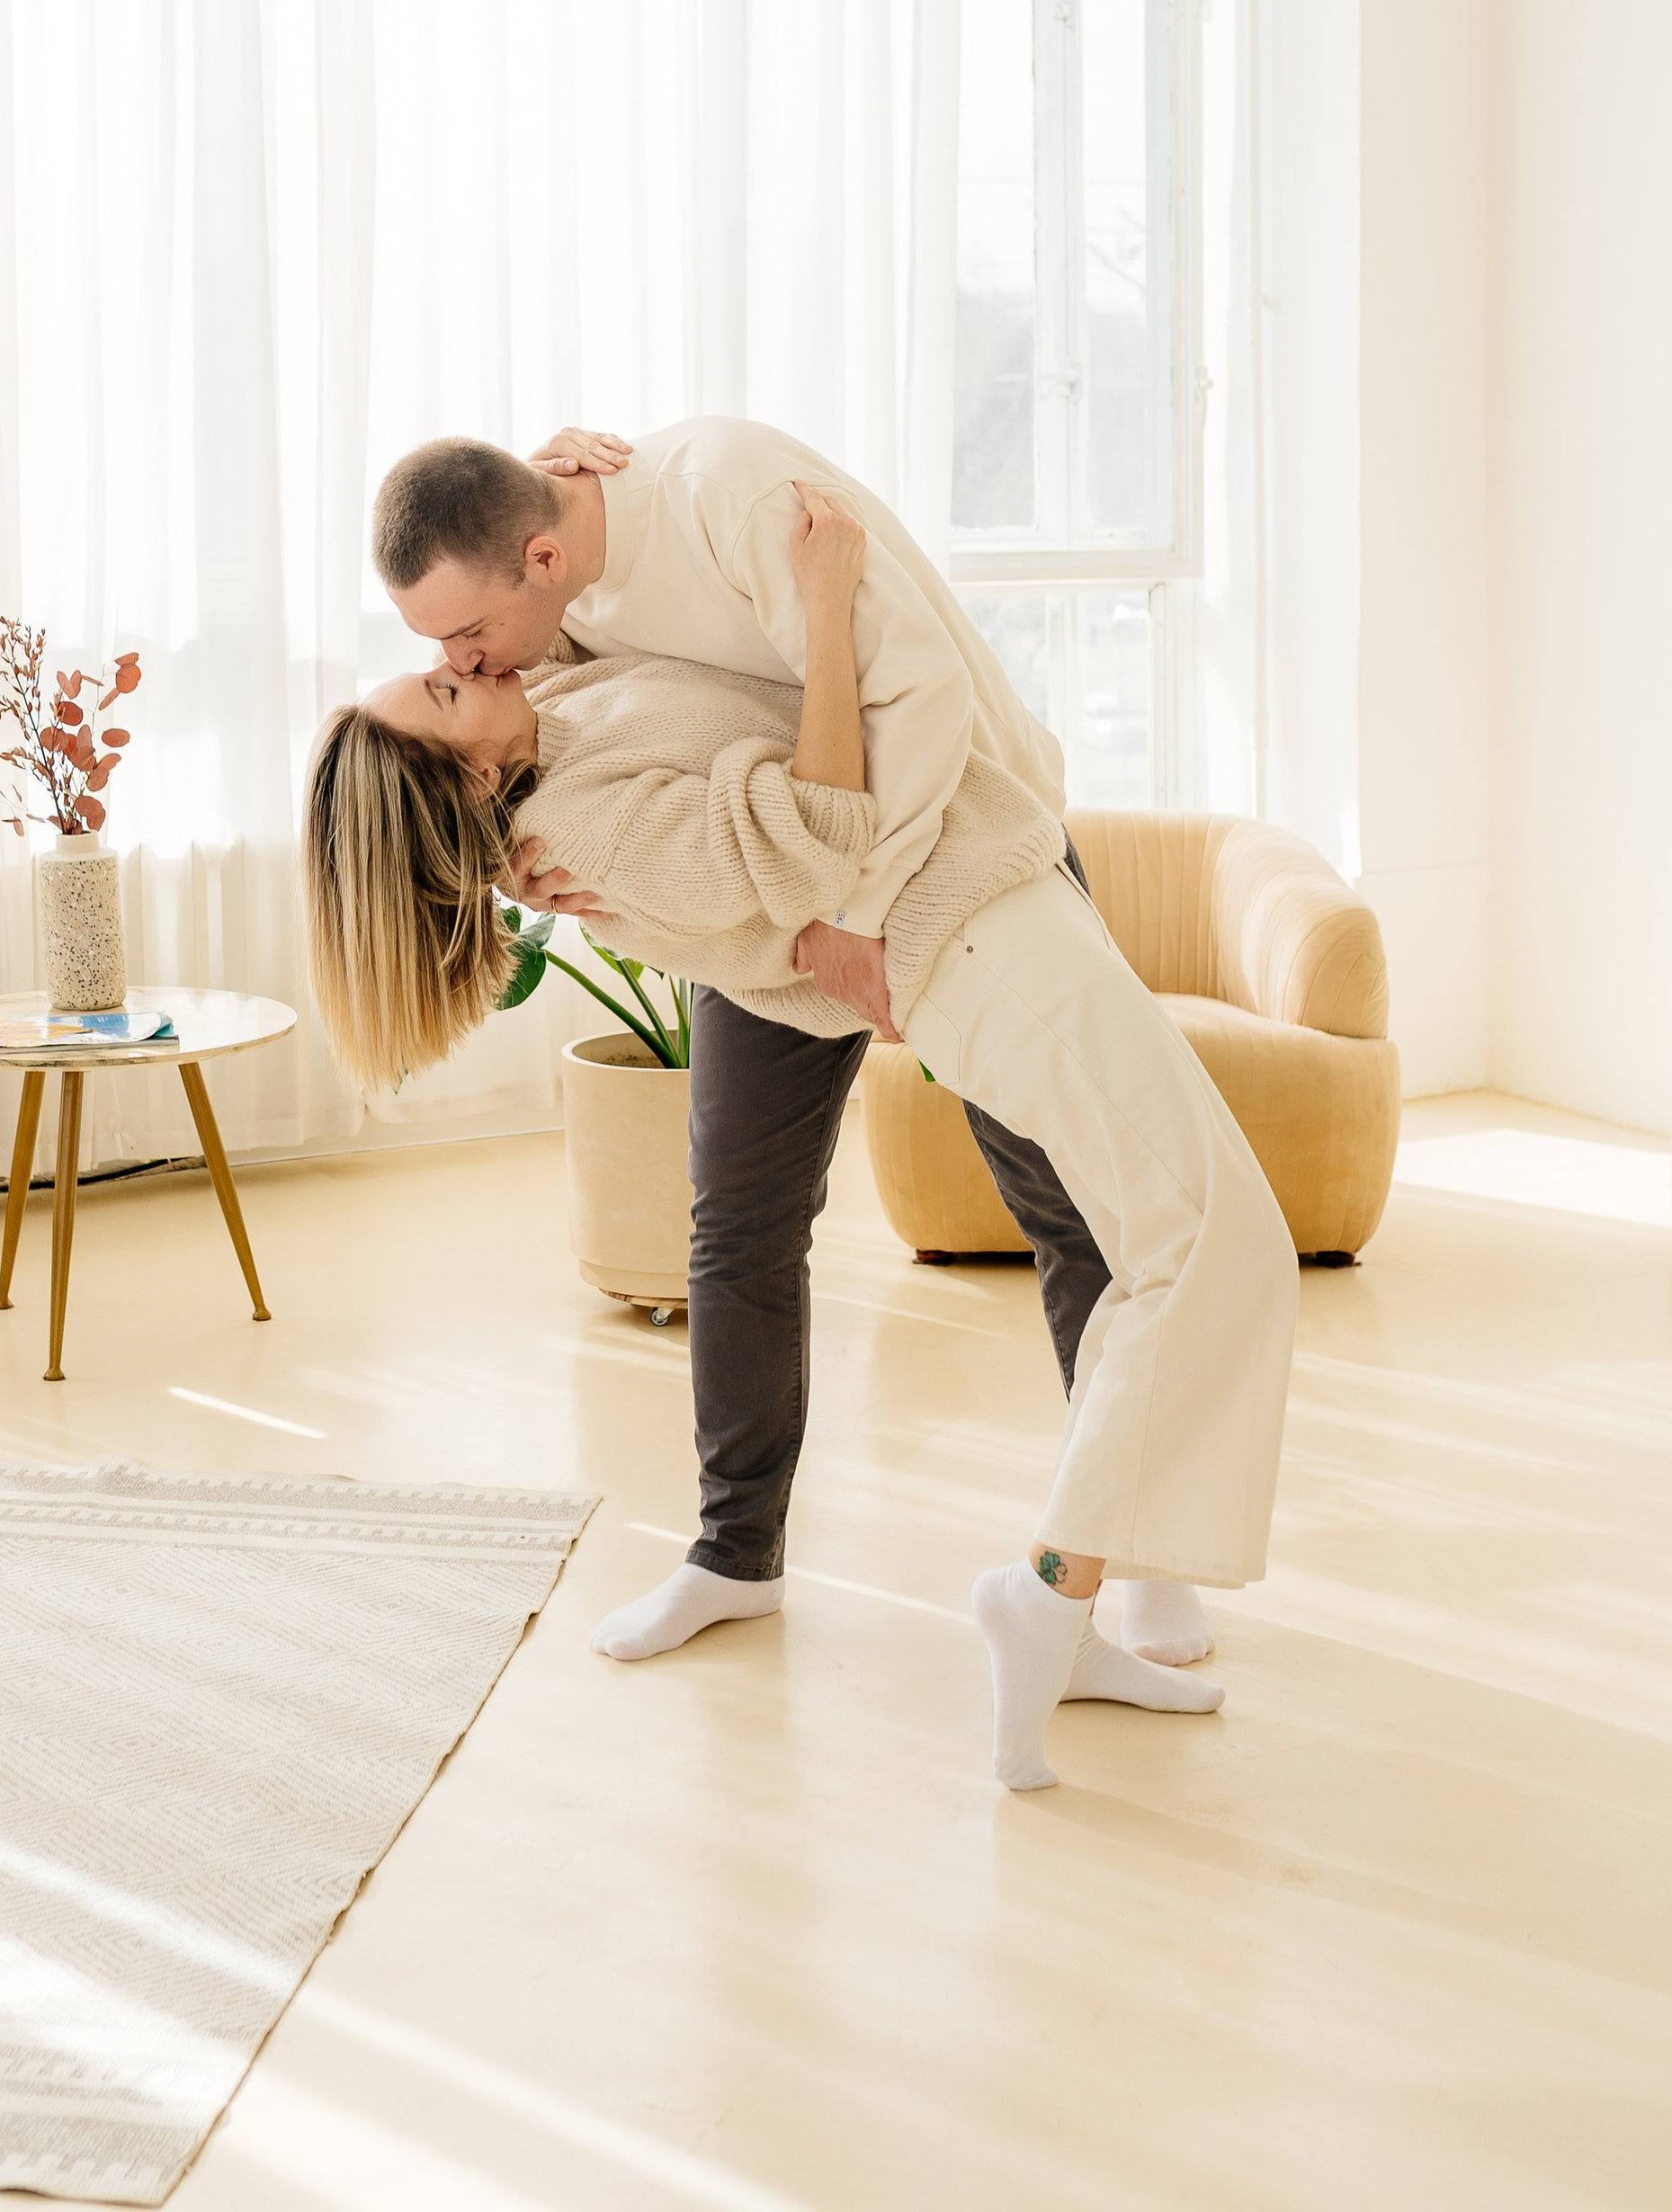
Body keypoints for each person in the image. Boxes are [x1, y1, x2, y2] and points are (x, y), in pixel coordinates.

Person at [303, 486, 1299, 1792]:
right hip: (965, 929)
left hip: (986, 894)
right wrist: (827, 613)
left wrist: (558, 484)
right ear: (465, 774)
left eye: (448, 647)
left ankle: (1071, 1594)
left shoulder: (556, 714)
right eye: (436, 691)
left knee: (1175, 1241)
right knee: (1196, 1243)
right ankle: (1043, 1590)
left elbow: (586, 606)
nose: (452, 662)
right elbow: (820, 838)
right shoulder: (580, 827)